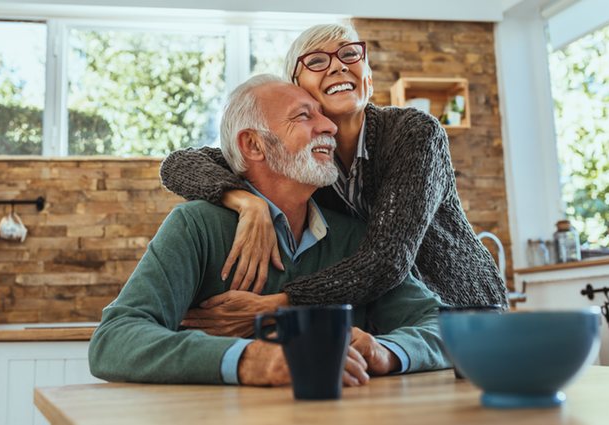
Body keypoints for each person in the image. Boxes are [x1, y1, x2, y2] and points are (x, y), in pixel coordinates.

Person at [88, 75, 451, 386]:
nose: (329, 127)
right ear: (253, 145)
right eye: (304, 116)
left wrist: (384, 350)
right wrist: (252, 359)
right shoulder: (196, 226)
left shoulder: (354, 237)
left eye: (323, 116)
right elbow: (114, 340)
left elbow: (443, 328)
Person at [159, 24, 507, 324]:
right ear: (296, 87)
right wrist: (248, 203)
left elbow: (386, 259)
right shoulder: (303, 161)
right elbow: (179, 164)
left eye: (349, 55)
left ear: (367, 78)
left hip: (462, 310)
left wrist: (279, 305)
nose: (338, 67)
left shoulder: (414, 133)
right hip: (386, 319)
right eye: (316, 61)